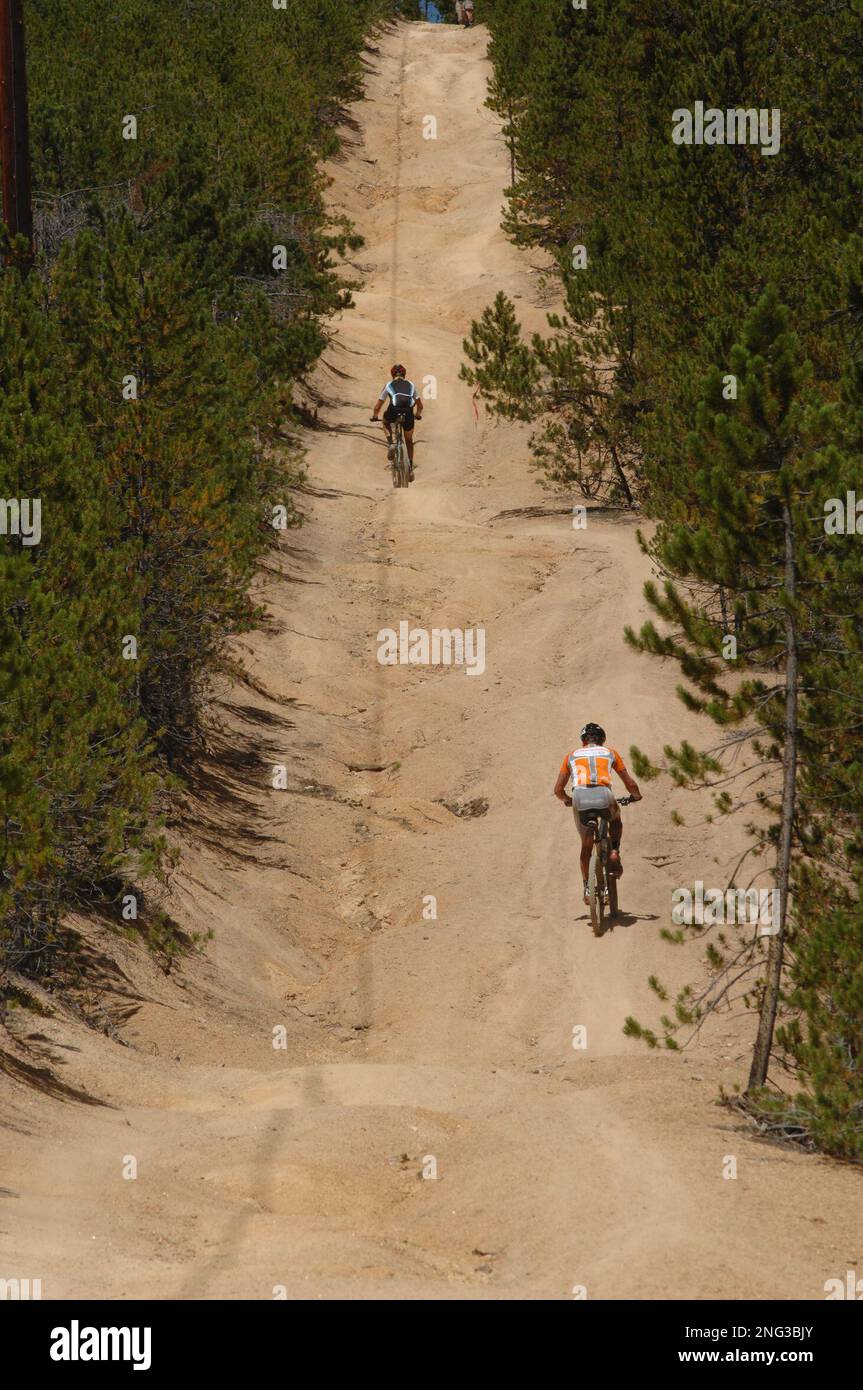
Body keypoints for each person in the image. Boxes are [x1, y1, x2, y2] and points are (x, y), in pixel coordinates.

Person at [554, 722, 642, 906]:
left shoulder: (571, 756)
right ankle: (614, 851)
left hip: (579, 797)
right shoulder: (610, 753)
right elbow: (630, 783)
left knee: (585, 846)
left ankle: (587, 888)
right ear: (602, 739)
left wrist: (567, 800)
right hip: (604, 795)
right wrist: (635, 796)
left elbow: (558, 790)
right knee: (615, 820)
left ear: (583, 741)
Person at [371, 365, 423, 478]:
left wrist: (375, 416)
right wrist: (418, 415)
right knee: (409, 440)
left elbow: (378, 406)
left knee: (385, 422)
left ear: (392, 374)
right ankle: (410, 469)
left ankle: (392, 443)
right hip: (408, 413)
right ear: (404, 374)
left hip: (394, 410)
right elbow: (420, 406)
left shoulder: (389, 384)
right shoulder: (411, 384)